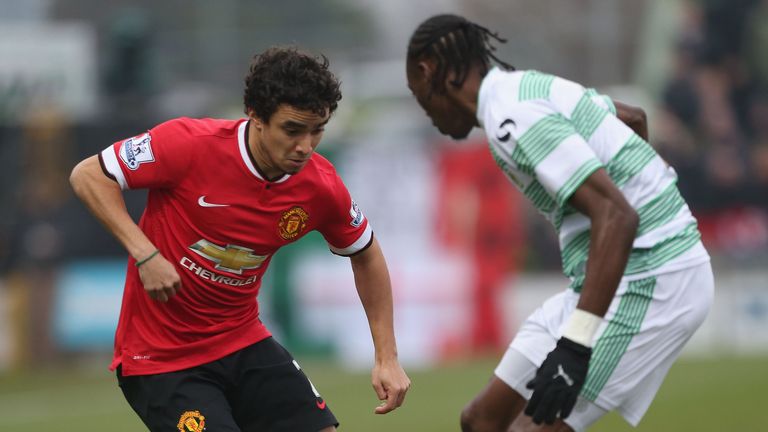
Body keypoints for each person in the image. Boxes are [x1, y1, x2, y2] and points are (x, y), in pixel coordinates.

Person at [70, 46, 410, 432]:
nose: (305, 146)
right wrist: (145, 254)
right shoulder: (188, 144)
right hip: (161, 360)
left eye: (318, 130)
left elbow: (365, 253)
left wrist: (387, 357)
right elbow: (88, 176)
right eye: (292, 130)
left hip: (242, 341)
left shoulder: (321, 186)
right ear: (256, 116)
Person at [406, 14, 713, 432]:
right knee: (481, 421)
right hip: (606, 277)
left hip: (654, 278)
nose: (425, 110)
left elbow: (617, 215)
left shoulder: (511, 119)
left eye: (417, 93)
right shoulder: (527, 87)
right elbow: (633, 118)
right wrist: (649, 181)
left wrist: (575, 345)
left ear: (429, 73)